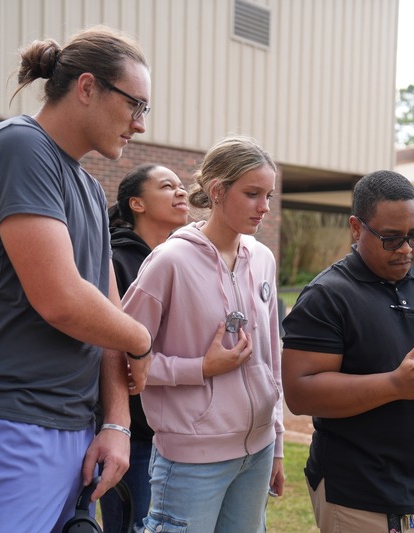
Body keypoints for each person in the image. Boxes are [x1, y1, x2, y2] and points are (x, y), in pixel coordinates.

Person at [0, 26, 154, 532]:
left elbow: (107, 320)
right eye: (135, 105)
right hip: (2, 426)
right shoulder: (18, 147)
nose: (139, 125)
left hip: (74, 431)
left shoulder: (92, 191)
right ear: (88, 87)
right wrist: (142, 340)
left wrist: (115, 422)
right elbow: (62, 301)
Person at [281, 169, 414, 533]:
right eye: (391, 239)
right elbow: (300, 393)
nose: (407, 248)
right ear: (356, 228)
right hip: (364, 495)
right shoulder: (326, 296)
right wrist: (394, 384)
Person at [121, 135, 285, 532]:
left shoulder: (262, 258)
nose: (264, 207)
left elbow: (272, 357)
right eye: (252, 194)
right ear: (217, 190)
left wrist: (276, 443)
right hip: (191, 459)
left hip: (258, 452)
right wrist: (199, 368)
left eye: (269, 195)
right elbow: (121, 357)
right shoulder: (169, 261)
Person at [99, 164, 190, 532]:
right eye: (168, 186)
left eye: (182, 186)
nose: (182, 192)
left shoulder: (179, 261)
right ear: (136, 203)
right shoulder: (116, 262)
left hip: (175, 432)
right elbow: (112, 351)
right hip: (135, 435)